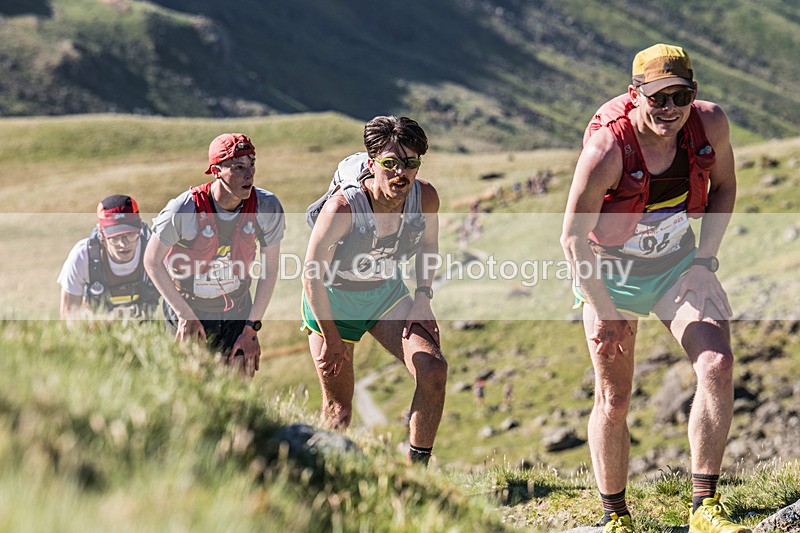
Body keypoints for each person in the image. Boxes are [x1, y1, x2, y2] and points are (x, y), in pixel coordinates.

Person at [561, 44, 748, 532]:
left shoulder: (709, 125)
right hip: (610, 275)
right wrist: (602, 309)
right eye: (657, 98)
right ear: (634, 94)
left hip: (676, 267)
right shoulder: (607, 149)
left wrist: (705, 261)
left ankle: (704, 507)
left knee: (717, 364)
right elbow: (572, 238)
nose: (669, 109)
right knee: (614, 397)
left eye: (680, 96)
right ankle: (615, 516)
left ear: (694, 94)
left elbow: (725, 186)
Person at [301, 116, 446, 466]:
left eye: (410, 164)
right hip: (333, 300)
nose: (401, 173)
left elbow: (428, 246)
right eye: (390, 163)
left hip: (385, 293)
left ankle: (418, 473)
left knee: (433, 369)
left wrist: (422, 298)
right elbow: (311, 276)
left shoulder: (425, 198)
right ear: (371, 164)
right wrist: (332, 336)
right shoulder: (343, 208)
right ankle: (325, 478)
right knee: (339, 411)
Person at [144, 133, 285, 377]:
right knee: (189, 386)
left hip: (237, 311)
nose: (249, 175)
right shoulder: (184, 209)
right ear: (216, 171)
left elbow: (270, 270)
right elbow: (152, 262)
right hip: (187, 310)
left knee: (238, 390)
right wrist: (184, 316)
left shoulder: (266, 207)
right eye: (238, 167)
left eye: (252, 165)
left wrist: (251, 328)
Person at [58, 194, 159, 320]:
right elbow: (68, 315)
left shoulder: (156, 251)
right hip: (95, 333)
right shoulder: (82, 256)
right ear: (101, 232)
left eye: (130, 234)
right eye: (115, 237)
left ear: (140, 227)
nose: (123, 244)